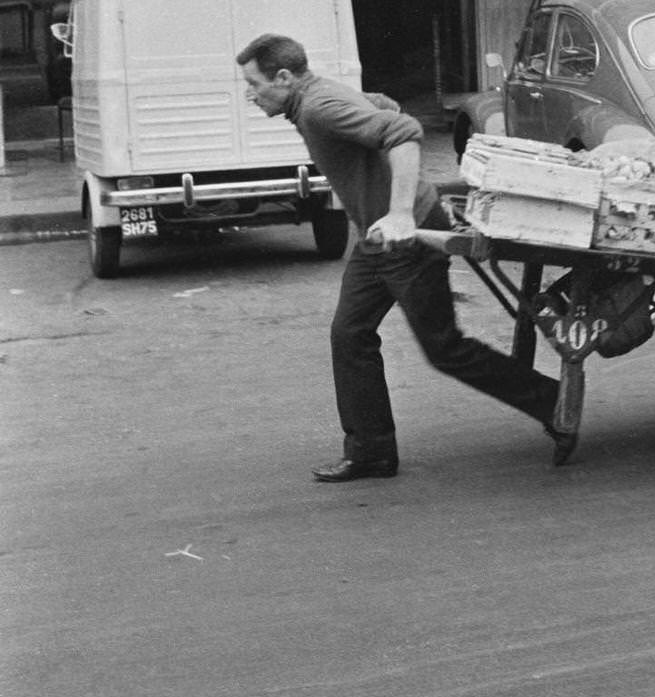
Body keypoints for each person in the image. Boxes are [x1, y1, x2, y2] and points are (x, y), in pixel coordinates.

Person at [237, 33, 565, 482]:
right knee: (350, 334)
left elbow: (404, 133)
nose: (249, 96)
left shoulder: (319, 107)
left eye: (254, 85)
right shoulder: (316, 97)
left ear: (284, 77)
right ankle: (371, 451)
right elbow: (385, 105)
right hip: (376, 237)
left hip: (404, 235)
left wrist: (398, 213)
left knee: (444, 347)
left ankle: (555, 402)